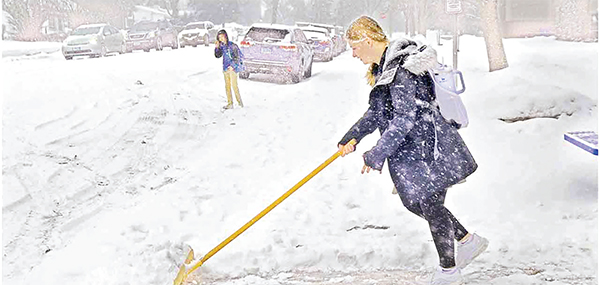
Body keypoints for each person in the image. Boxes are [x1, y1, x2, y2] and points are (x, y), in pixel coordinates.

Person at [337, 16, 488, 285]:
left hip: (430, 146)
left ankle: (449, 271)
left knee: (430, 202)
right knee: (414, 202)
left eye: (355, 47)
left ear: (368, 40)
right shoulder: (386, 68)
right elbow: (378, 112)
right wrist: (353, 136)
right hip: (414, 149)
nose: (353, 54)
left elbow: (404, 118)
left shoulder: (402, 70)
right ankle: (467, 240)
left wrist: (377, 153)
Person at [214, 29, 244, 109]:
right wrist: (217, 48)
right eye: (219, 37)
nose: (221, 39)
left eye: (222, 37)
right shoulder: (222, 46)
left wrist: (233, 66)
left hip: (232, 69)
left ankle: (240, 103)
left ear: (226, 36)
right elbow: (217, 55)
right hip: (225, 68)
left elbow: (237, 56)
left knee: (234, 85)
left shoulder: (232, 45)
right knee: (227, 86)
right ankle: (230, 103)